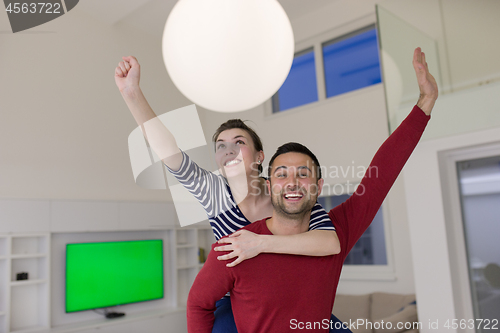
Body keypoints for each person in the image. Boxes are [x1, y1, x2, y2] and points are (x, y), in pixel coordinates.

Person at [186, 47, 438, 332]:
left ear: (318, 187)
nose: (292, 182)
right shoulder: (237, 246)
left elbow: (382, 175)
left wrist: (425, 102)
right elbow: (198, 304)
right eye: (282, 174)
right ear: (269, 187)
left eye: (302, 174)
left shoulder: (336, 232)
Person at [115, 51, 343, 332]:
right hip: (235, 301)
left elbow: (328, 243)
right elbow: (168, 151)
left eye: (238, 142)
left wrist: (261, 244)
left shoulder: (286, 194)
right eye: (221, 145)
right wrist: (131, 93)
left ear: (259, 156)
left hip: (288, 297)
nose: (229, 150)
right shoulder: (214, 192)